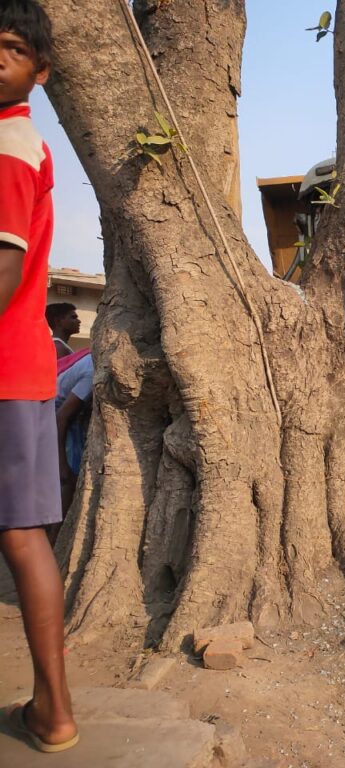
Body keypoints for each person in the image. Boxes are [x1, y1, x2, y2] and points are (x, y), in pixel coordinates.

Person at [0, 0, 79, 753]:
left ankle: (54, 711)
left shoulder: (10, 146)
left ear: (40, 71)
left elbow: (6, 265)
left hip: (6, 366)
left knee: (24, 537)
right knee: (23, 534)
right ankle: (50, 711)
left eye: (14, 47)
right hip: (17, 367)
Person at [55, 351, 92, 516]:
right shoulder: (93, 371)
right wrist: (62, 464)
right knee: (69, 478)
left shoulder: (92, 360)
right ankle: (54, 537)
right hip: (57, 416)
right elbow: (61, 417)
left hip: (67, 418)